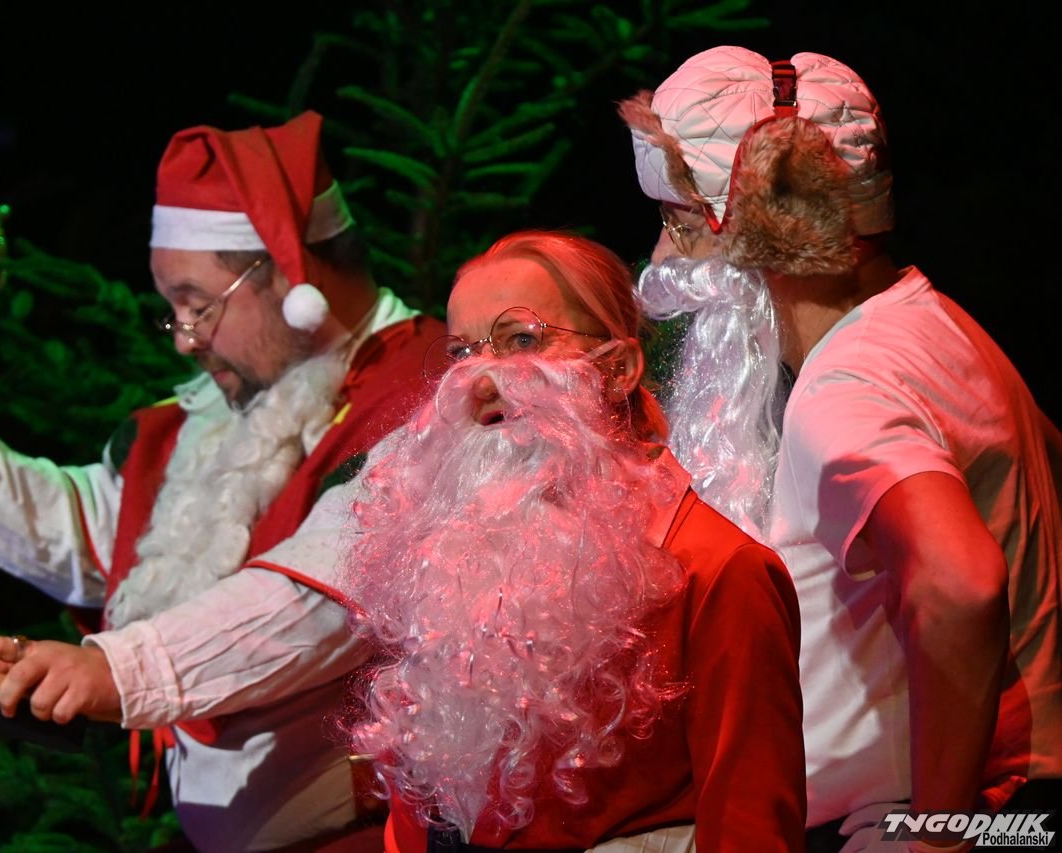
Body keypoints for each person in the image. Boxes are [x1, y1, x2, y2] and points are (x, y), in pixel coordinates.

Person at [0, 110, 446, 851]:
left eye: (198, 304)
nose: (185, 338)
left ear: (290, 275)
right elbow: (103, 532)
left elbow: (322, 597)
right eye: (173, 311)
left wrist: (115, 669)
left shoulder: (423, 398)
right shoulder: (229, 407)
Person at [622, 45, 1062, 850]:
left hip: (954, 812)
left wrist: (937, 832)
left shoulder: (847, 389)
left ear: (762, 222)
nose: (661, 259)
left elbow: (961, 585)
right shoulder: (939, 327)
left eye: (679, 224)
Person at [273, 230, 807, 851]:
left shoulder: (717, 570)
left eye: (521, 341)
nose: (480, 381)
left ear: (617, 370)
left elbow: (750, 827)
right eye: (462, 353)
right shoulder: (448, 558)